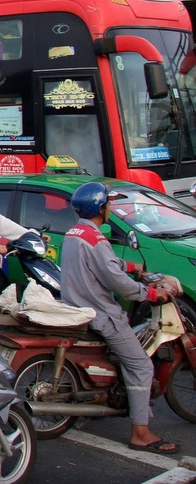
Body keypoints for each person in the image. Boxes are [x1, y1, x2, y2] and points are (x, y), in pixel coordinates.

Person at [60, 182, 181, 455]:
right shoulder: (96, 239)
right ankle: (141, 433)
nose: (111, 208)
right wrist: (151, 294)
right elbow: (118, 283)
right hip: (101, 314)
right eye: (109, 204)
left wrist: (131, 267)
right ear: (100, 208)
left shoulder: (75, 233)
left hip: (78, 306)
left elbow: (104, 265)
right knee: (140, 365)